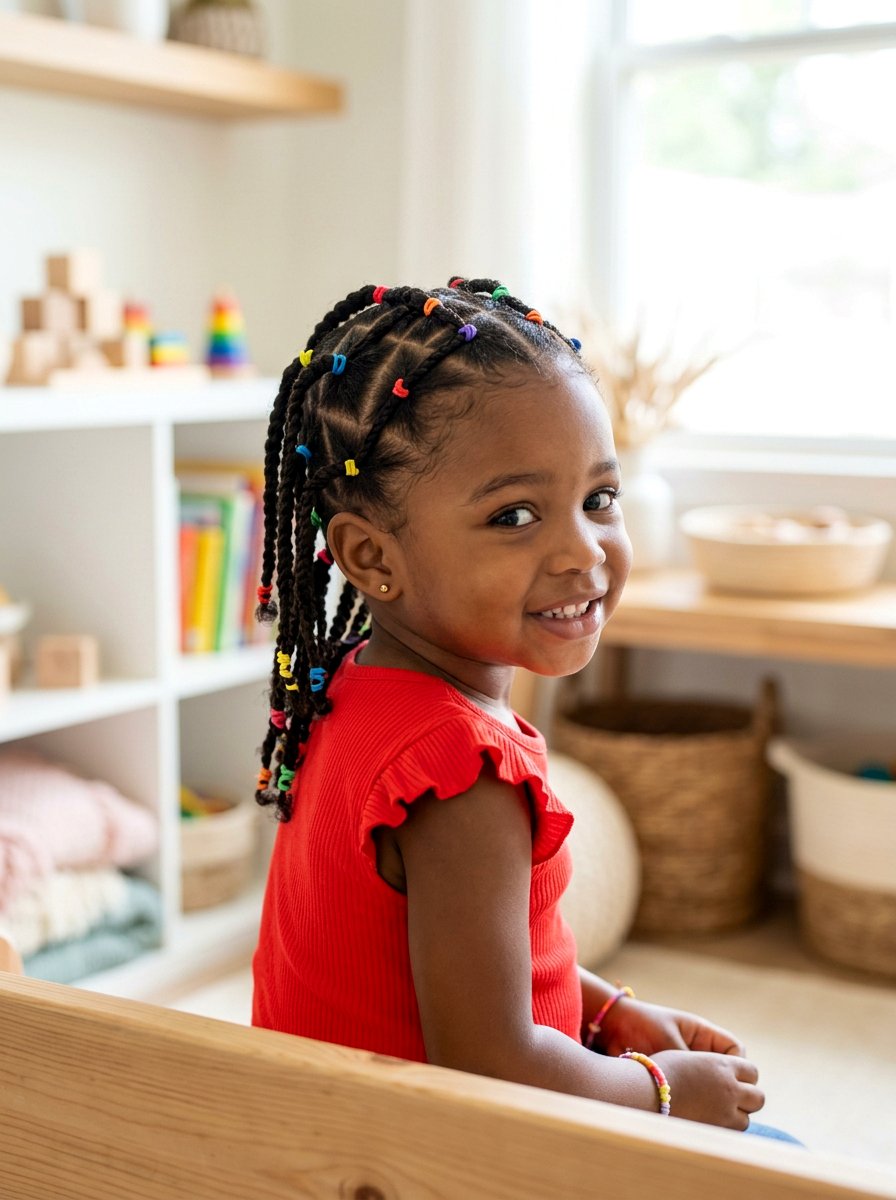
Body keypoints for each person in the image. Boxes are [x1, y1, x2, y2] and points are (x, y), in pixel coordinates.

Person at [250, 277, 796, 1142]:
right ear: (369, 555)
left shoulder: (349, 689)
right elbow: (492, 1062)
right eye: (514, 515)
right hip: (434, 1161)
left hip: (333, 1136)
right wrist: (665, 1092)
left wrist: (607, 1006)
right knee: (788, 1160)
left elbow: (454, 955)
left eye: (599, 499)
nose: (583, 551)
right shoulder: (457, 773)